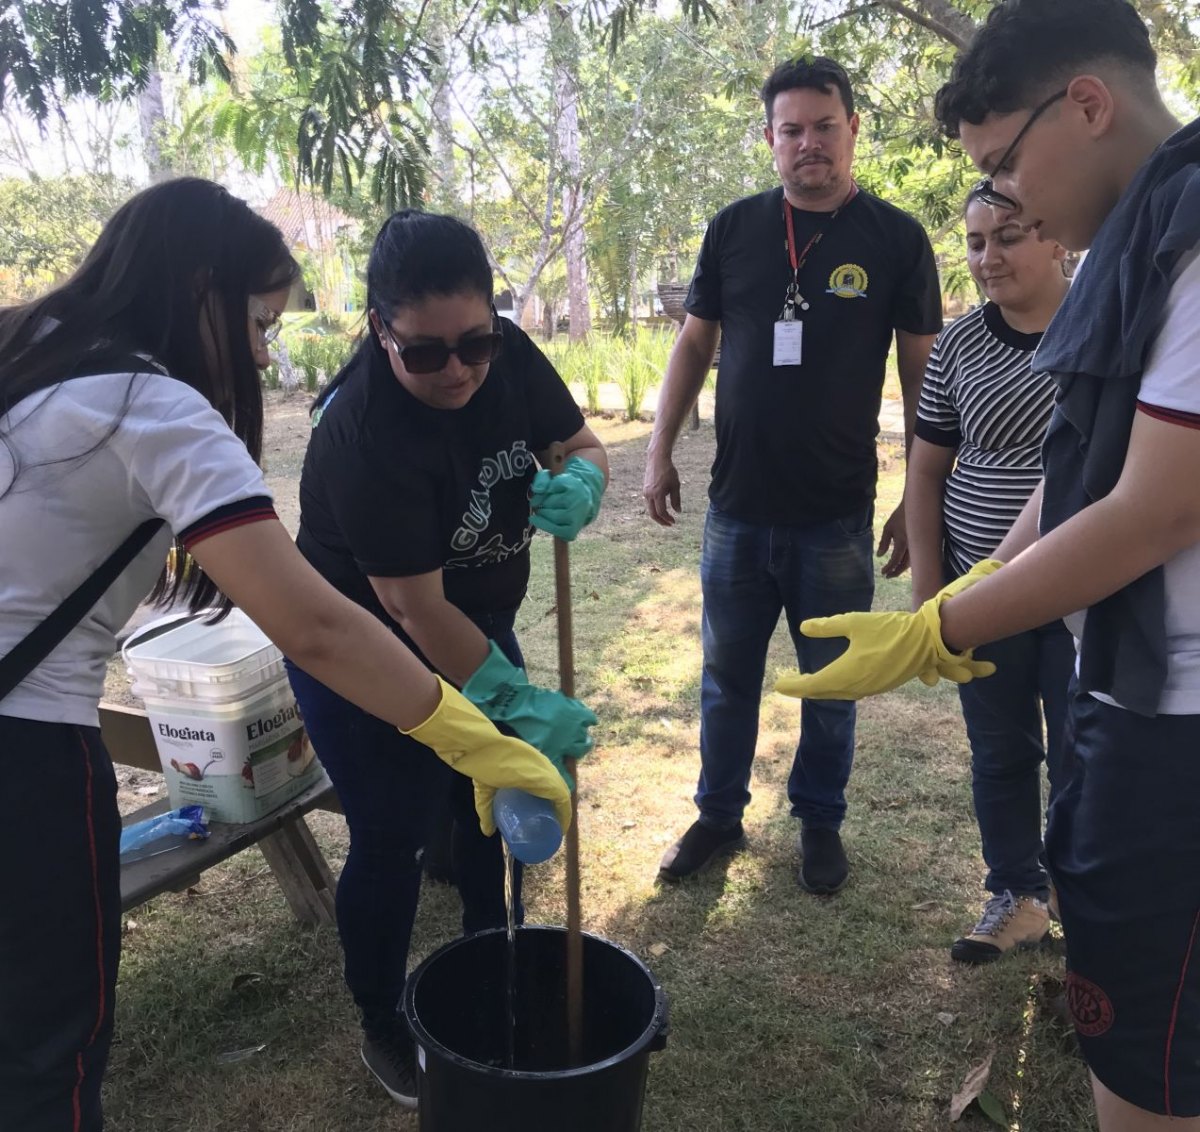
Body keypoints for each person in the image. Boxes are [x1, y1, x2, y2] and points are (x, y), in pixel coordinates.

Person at [0, 179, 573, 1132]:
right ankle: (382, 1016)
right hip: (25, 756)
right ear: (200, 292)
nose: (267, 352)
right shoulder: (155, 406)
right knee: (46, 1052)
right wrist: (479, 733)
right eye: (261, 321)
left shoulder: (27, 351)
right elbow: (319, 626)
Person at [775, 1, 1200, 1126]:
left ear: (1090, 105)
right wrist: (964, 590)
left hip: (1186, 719)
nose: (1009, 205)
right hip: (1137, 690)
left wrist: (943, 631)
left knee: (1157, 1067)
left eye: (1006, 170)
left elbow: (1156, 510)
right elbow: (1084, 467)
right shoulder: (1143, 238)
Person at [288, 209, 608, 1106]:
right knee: (392, 832)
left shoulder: (503, 358)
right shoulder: (360, 433)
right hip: (359, 650)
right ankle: (382, 1017)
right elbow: (409, 605)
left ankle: (488, 957)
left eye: (476, 342)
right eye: (426, 352)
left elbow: (579, 443)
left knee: (485, 815)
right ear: (380, 328)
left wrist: (584, 480)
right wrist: (507, 699)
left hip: (471, 623)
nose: (459, 368)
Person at [644, 56, 943, 893]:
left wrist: (917, 498)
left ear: (853, 128)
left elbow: (923, 377)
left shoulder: (896, 239)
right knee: (728, 677)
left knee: (833, 684)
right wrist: (662, 447)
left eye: (824, 125)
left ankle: (818, 821)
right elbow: (695, 345)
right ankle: (718, 814)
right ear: (769, 138)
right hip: (736, 508)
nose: (808, 143)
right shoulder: (734, 229)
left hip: (839, 514)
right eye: (791, 129)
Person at [905, 188, 1074, 963]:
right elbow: (928, 469)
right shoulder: (959, 345)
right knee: (1001, 749)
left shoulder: (1101, 326)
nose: (987, 258)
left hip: (1086, 590)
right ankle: (1017, 895)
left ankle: (1085, 898)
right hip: (983, 596)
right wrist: (930, 599)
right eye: (974, 243)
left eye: (1006, 236)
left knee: (1085, 750)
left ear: (1055, 237)